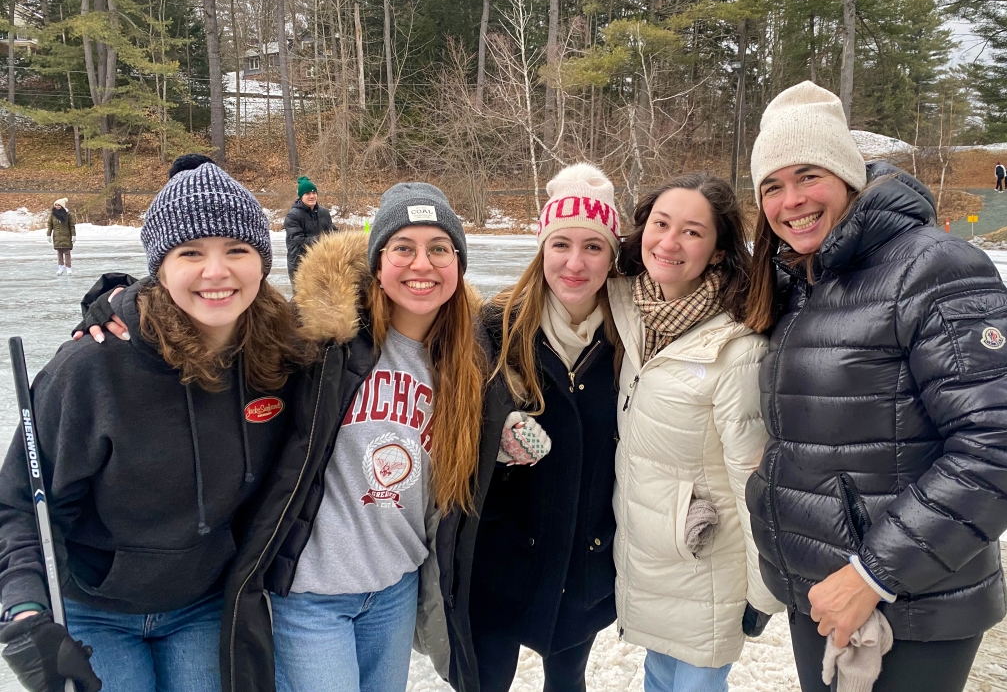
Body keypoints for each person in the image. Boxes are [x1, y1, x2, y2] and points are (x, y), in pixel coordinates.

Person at [744, 81, 1007, 692]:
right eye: (772, 185)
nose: (791, 200)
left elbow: (1002, 449)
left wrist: (873, 574)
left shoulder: (933, 267)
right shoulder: (801, 278)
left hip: (906, 603)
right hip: (823, 591)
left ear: (849, 177)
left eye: (810, 176)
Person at [0, 162, 304, 692]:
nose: (217, 272)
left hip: (204, 602)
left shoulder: (281, 359)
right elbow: (21, 505)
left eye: (237, 249)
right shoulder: (90, 368)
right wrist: (25, 611)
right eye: (190, 253)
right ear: (159, 269)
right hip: (96, 609)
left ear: (263, 262)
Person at [221, 182, 484, 692]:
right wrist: (118, 299)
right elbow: (218, 322)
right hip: (311, 596)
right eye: (403, 248)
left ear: (458, 262)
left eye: (439, 249)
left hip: (394, 590)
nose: (422, 265)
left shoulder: (470, 355)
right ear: (378, 262)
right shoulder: (322, 338)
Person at [442, 164, 623, 692]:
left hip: (582, 562)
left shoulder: (631, 341)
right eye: (560, 244)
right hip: (498, 563)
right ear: (541, 248)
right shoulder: (494, 329)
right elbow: (449, 427)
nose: (574, 263)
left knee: (567, 681)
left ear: (613, 258)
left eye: (593, 247)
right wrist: (491, 440)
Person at [608, 173, 785, 692]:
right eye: (661, 224)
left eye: (691, 232)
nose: (669, 241)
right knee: (660, 680)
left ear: (716, 252)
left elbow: (754, 475)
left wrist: (763, 591)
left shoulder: (736, 348)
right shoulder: (630, 311)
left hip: (706, 564)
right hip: (651, 560)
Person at [283, 176, 336, 283]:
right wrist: (322, 239)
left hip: (321, 261)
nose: (312, 196)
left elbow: (332, 231)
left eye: (314, 193)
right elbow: (298, 241)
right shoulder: (292, 216)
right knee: (301, 298)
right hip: (300, 263)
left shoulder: (324, 212)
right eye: (307, 193)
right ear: (301, 196)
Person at [47, 198, 76, 275]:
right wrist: (48, 234)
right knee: (59, 253)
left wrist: (73, 235)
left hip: (66, 236)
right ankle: (60, 267)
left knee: (67, 252)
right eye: (55, 205)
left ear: (62, 206)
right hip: (57, 236)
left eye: (59, 205)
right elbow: (50, 225)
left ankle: (68, 268)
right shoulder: (53, 215)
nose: (57, 206)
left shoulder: (68, 215)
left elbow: (72, 225)